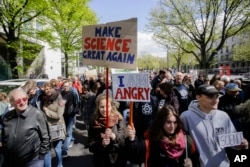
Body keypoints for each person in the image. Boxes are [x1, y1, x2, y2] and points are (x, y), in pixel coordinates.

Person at [180, 84, 249, 167]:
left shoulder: (223, 115)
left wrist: (240, 144)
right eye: (210, 97)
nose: (215, 100)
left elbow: (232, 143)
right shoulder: (186, 117)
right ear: (198, 97)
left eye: (217, 96)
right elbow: (180, 144)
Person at [126, 105, 198, 167]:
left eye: (175, 122)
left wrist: (191, 163)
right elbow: (136, 156)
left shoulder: (186, 139)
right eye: (168, 122)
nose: (172, 126)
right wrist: (132, 139)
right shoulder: (152, 139)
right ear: (161, 122)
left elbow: (195, 158)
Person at [1, 88, 50, 167]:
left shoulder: (37, 114)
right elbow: (4, 136)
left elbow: (46, 137)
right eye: (18, 101)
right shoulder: (7, 117)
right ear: (12, 103)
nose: (22, 102)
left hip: (32, 160)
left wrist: (41, 155)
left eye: (24, 99)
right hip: (11, 160)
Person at [88, 94, 127, 167]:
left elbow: (124, 141)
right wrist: (101, 144)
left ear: (111, 107)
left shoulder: (119, 120)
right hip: (101, 161)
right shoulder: (94, 122)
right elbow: (90, 145)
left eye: (107, 106)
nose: (105, 110)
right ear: (98, 108)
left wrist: (114, 136)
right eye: (102, 107)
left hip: (117, 160)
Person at [41, 82, 66, 167]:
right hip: (46, 126)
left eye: (49, 88)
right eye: (46, 89)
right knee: (47, 148)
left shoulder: (60, 99)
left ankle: (60, 164)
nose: (47, 90)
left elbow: (59, 115)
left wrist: (46, 111)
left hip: (56, 126)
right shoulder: (44, 98)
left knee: (57, 148)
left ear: (53, 88)